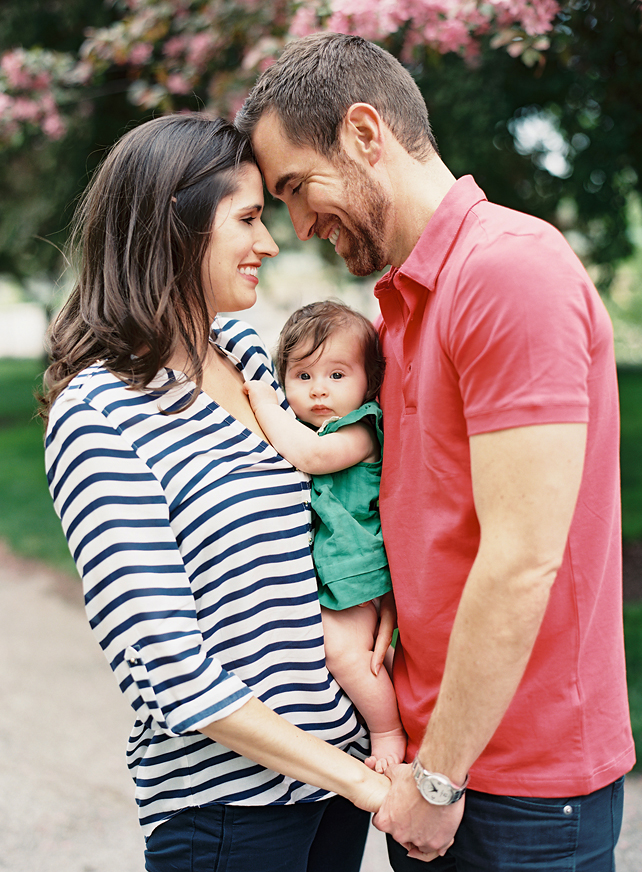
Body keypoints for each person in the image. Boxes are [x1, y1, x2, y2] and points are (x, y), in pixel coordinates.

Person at [235, 31, 636, 870]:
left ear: (365, 133)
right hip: (434, 764)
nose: (300, 225)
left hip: (515, 788)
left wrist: (442, 780)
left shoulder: (507, 273)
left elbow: (524, 559)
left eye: (297, 188)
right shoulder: (399, 311)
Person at [41, 113, 390, 872]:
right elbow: (173, 674)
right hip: (230, 815)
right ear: (178, 226)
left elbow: (335, 519)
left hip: (331, 793)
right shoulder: (98, 415)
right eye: (248, 218)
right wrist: (367, 784)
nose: (269, 242)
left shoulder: (251, 363)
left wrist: (379, 613)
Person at [244, 299, 406, 773]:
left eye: (337, 375)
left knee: (344, 653)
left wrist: (264, 404)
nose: (319, 390)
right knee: (367, 652)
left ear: (368, 381)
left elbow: (311, 458)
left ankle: (387, 731)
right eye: (304, 376)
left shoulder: (362, 429)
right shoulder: (312, 425)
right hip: (335, 566)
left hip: (353, 566)